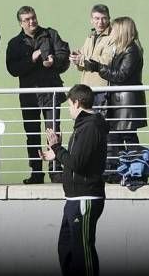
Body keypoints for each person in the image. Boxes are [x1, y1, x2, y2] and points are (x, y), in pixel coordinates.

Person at [40, 84, 108, 276]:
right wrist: (56, 154)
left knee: (83, 252)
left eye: (69, 104)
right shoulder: (83, 126)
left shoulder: (91, 126)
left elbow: (77, 163)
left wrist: (57, 148)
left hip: (86, 198)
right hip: (74, 198)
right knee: (66, 249)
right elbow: (77, 159)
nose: (69, 108)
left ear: (77, 103)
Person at [6, 6, 70, 184]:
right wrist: (32, 58)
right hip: (29, 95)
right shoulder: (15, 43)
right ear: (21, 23)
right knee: (32, 134)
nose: (31, 21)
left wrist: (54, 61)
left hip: (50, 92)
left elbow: (64, 54)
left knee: (53, 132)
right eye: (27, 19)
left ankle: (56, 170)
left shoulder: (51, 34)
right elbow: (12, 69)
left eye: (33, 18)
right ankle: (36, 172)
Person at [82, 16, 147, 153]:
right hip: (119, 102)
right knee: (116, 137)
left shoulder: (132, 50)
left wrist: (98, 67)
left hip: (126, 103)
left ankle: (134, 172)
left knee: (127, 138)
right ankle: (118, 170)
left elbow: (121, 75)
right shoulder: (122, 49)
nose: (112, 32)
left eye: (115, 29)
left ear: (123, 31)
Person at [69, 4, 114, 112]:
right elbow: (83, 64)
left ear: (109, 19)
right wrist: (76, 59)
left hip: (101, 89)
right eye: (97, 18)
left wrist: (82, 58)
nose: (100, 22)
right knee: (86, 121)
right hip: (86, 88)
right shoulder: (90, 36)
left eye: (104, 18)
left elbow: (106, 61)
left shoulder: (112, 36)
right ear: (91, 20)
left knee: (99, 122)